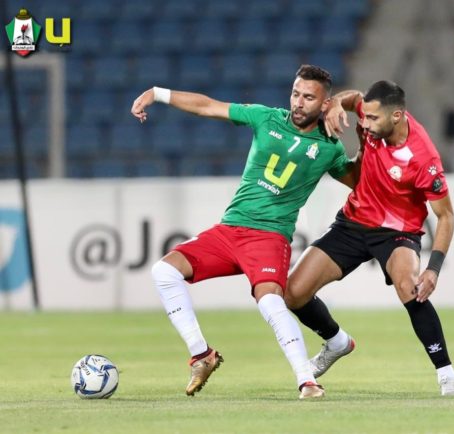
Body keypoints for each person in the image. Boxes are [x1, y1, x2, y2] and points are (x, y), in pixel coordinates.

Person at [130, 65, 358, 399]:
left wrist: (367, 136)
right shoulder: (266, 118)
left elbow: (359, 182)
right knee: (163, 271)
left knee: (271, 302)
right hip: (229, 229)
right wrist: (157, 93)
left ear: (325, 104)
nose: (298, 102)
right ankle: (202, 354)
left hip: (270, 237)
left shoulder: (330, 148)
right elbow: (208, 106)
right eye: (295, 93)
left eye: (308, 97)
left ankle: (307, 380)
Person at [285, 80, 454, 396]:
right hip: (353, 222)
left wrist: (434, 269)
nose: (365, 124)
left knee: (409, 287)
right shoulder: (371, 113)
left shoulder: (423, 158)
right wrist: (337, 103)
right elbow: (355, 98)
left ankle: (447, 374)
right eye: (364, 116)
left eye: (372, 119)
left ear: (397, 116)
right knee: (293, 293)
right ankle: (336, 342)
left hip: (397, 232)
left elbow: (446, 216)